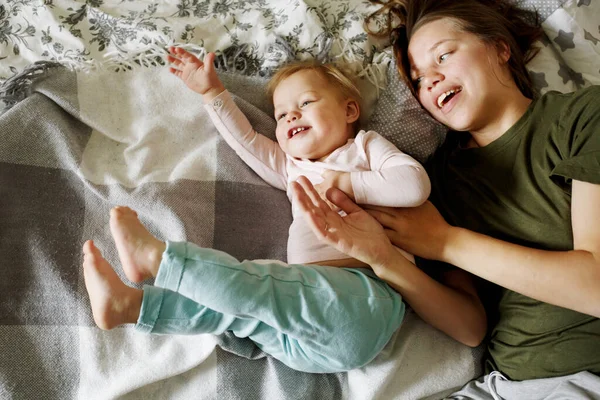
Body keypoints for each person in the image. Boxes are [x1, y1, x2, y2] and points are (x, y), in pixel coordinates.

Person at [81, 48, 484, 374]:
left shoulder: (363, 149)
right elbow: (247, 142)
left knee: (258, 284)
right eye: (281, 114)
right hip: (297, 341)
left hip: (363, 300)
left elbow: (414, 185)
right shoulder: (293, 169)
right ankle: (135, 307)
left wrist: (350, 183)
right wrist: (212, 94)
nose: (291, 115)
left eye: (306, 103)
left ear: (349, 110)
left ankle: (162, 262)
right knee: (236, 310)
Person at [293, 0, 600, 384]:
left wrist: (444, 242)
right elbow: (470, 327)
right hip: (505, 385)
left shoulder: (584, 116)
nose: (431, 80)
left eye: (444, 55)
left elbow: (595, 285)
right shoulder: (430, 180)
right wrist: (386, 261)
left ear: (500, 48)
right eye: (419, 79)